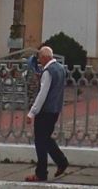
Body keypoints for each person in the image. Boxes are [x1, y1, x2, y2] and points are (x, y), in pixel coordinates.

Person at [25, 45, 68, 182]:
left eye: (40, 59)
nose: (39, 62)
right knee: (46, 138)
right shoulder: (60, 69)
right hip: (55, 110)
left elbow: (42, 94)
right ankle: (61, 161)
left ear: (44, 57)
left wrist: (32, 112)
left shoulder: (48, 72)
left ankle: (41, 173)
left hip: (45, 111)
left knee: (40, 141)